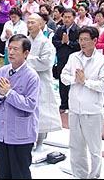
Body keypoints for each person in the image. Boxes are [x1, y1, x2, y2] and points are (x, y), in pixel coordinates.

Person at [61, 26, 104, 179]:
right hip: (75, 109)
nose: (82, 43)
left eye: (85, 40)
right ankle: (79, 175)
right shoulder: (74, 57)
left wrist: (86, 82)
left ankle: (94, 175)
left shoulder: (102, 61)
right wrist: (75, 80)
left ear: (95, 41)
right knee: (76, 146)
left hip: (92, 110)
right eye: (80, 40)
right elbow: (63, 76)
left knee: (94, 148)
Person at [0, 34, 40, 179]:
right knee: (4, 173)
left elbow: (30, 105)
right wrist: (1, 94)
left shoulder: (32, 76)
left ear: (26, 53)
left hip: (21, 134)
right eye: (9, 48)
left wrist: (9, 93)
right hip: (2, 132)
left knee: (20, 174)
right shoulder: (3, 71)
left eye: (15, 49)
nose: (11, 52)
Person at [26, 14, 62, 151]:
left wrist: (27, 60)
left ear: (41, 24)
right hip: (27, 80)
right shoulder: (25, 41)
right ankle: (29, 140)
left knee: (41, 111)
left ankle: (40, 142)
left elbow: (46, 62)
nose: (29, 25)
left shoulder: (46, 42)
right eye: (28, 22)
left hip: (42, 80)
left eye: (32, 22)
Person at [52, 8, 81, 112]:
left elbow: (79, 44)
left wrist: (69, 43)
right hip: (61, 58)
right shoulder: (60, 29)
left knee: (73, 81)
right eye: (65, 17)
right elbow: (54, 41)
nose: (67, 19)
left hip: (73, 59)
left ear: (74, 18)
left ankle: (72, 103)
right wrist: (62, 42)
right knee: (62, 81)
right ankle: (63, 104)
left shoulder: (78, 30)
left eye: (69, 17)